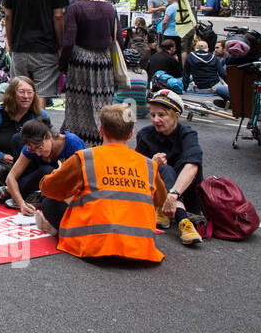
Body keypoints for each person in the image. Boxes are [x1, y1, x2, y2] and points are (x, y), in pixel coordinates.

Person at [36, 102, 169, 263]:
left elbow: (48, 188)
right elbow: (160, 200)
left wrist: (56, 173)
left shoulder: (85, 157)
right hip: (141, 249)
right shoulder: (149, 164)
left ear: (101, 131)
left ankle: (59, 230)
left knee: (50, 202)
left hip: (94, 246)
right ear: (130, 134)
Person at [134, 89, 206, 245]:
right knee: (163, 168)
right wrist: (152, 165)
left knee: (179, 165)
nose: (155, 120)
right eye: (153, 115)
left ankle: (173, 212)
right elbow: (137, 171)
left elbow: (192, 167)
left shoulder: (188, 134)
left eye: (162, 115)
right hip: (156, 195)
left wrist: (173, 195)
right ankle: (183, 221)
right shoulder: (145, 135)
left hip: (186, 194)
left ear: (176, 116)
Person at [1, 0, 68, 104]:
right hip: (45, 47)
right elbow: (58, 16)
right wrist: (60, 45)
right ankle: (37, 128)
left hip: (20, 45)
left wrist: (10, 40)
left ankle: (20, 127)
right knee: (41, 95)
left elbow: (8, 15)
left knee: (20, 93)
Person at [59, 0, 117, 146]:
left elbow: (68, 41)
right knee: (102, 103)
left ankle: (79, 143)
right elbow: (118, 39)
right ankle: (103, 140)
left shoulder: (76, 8)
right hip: (104, 61)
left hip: (81, 61)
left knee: (79, 105)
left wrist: (63, 65)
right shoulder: (110, 7)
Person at [0, 117, 87, 213]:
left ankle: (10, 192)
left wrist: (62, 174)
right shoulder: (32, 148)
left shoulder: (73, 143)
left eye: (40, 148)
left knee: (49, 173)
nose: (37, 153)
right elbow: (11, 177)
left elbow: (84, 178)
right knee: (17, 140)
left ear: (49, 136)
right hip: (42, 182)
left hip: (66, 186)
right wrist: (21, 204)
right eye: (33, 150)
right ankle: (13, 192)